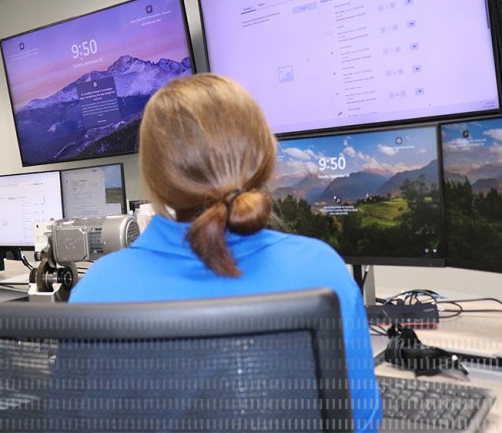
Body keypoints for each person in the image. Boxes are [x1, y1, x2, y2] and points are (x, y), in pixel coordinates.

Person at [68, 73, 383, 432]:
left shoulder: (96, 288)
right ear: (265, 157)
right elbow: (361, 423)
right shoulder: (323, 271)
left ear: (153, 176)